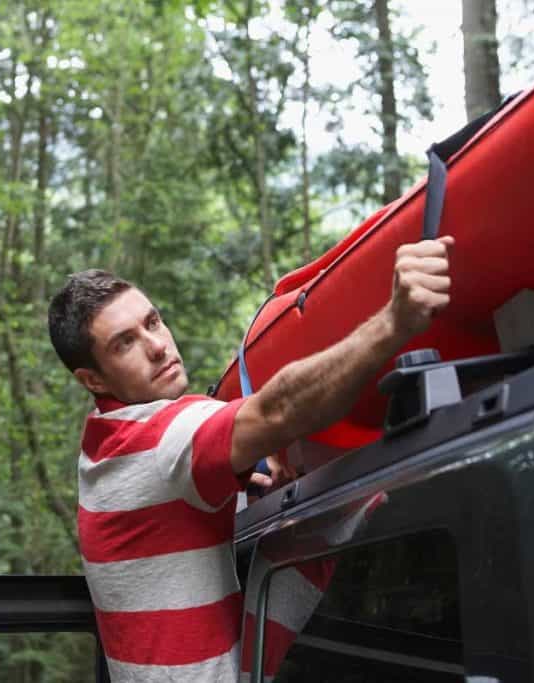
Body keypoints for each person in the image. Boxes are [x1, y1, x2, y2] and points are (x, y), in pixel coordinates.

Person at [46, 236, 453, 682]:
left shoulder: (105, 447)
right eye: (125, 343)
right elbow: (277, 410)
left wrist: (244, 472)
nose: (158, 345)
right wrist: (394, 321)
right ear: (92, 379)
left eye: (154, 322)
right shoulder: (158, 439)